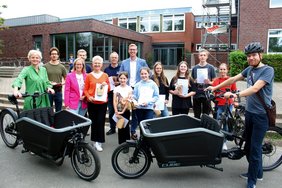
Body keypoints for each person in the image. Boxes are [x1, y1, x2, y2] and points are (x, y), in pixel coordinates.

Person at [207, 42, 274, 188]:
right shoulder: (249, 69)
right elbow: (232, 79)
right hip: (249, 114)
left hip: (261, 116)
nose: (251, 58)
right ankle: (258, 173)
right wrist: (215, 87)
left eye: (254, 55)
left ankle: (252, 182)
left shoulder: (268, 70)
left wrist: (235, 95)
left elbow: (256, 88)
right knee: (248, 146)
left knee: (254, 149)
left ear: (260, 55)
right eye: (249, 56)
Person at [119, 43, 148, 140]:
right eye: (130, 49)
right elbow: (120, 74)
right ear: (128, 51)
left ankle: (133, 131)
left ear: (137, 51)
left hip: (138, 89)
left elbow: (148, 73)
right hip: (126, 89)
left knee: (135, 112)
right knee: (124, 111)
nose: (132, 51)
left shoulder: (142, 62)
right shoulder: (124, 62)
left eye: (134, 49)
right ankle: (123, 136)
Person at [84, 55, 110, 152]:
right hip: (92, 102)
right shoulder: (89, 76)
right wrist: (88, 96)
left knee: (100, 121)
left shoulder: (105, 75)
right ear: (92, 64)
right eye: (95, 63)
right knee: (93, 122)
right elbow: (85, 89)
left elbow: (109, 89)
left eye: (99, 63)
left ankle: (99, 141)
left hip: (102, 103)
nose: (97, 64)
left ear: (102, 64)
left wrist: (105, 85)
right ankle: (94, 141)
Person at [212, 63, 237, 150]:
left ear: (227, 70)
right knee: (219, 122)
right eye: (221, 69)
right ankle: (219, 140)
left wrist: (234, 101)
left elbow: (234, 92)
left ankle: (224, 142)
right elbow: (214, 92)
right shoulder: (216, 80)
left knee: (226, 122)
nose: (222, 71)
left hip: (228, 104)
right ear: (219, 70)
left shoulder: (231, 80)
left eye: (224, 69)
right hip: (219, 104)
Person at [191, 49, 216, 119]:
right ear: (198, 56)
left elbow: (215, 82)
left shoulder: (211, 68)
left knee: (206, 114)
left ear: (207, 57)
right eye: (201, 55)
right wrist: (194, 81)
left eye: (204, 55)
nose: (202, 57)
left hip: (206, 93)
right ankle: (197, 128)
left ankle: (204, 128)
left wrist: (209, 82)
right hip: (197, 93)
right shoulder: (195, 68)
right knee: (196, 114)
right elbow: (192, 81)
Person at [44, 47, 67, 112]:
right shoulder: (45, 66)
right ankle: (50, 121)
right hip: (48, 91)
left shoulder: (61, 67)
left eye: (55, 54)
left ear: (58, 55)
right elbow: (42, 78)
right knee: (48, 109)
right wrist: (48, 83)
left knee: (59, 110)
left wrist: (62, 83)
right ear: (50, 55)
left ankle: (57, 121)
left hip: (58, 90)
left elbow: (66, 79)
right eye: (52, 54)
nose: (54, 55)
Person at [113, 72, 132, 144]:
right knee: (120, 126)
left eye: (124, 78)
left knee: (126, 126)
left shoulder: (129, 88)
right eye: (121, 78)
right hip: (118, 110)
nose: (122, 80)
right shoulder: (116, 88)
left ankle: (127, 143)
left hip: (126, 110)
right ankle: (121, 142)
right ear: (118, 79)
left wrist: (123, 111)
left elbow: (128, 101)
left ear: (127, 79)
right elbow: (115, 100)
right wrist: (116, 110)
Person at [104, 52, 120, 136]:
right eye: (112, 57)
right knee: (111, 112)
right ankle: (112, 128)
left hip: (120, 94)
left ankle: (121, 128)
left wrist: (119, 82)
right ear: (110, 59)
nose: (114, 59)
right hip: (110, 94)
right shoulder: (106, 70)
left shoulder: (121, 68)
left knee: (121, 112)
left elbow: (125, 78)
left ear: (118, 58)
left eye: (115, 57)